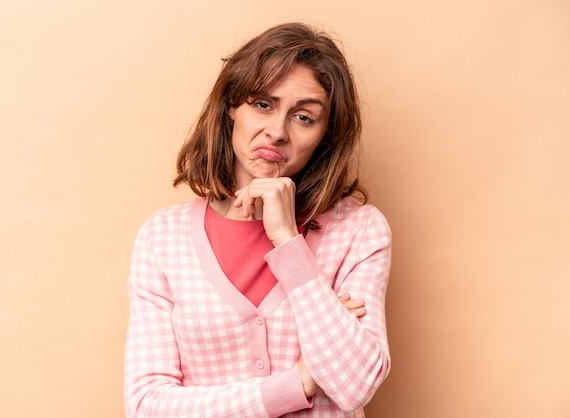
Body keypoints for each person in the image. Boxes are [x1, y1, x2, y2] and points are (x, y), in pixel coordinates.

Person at [124, 22, 391, 417]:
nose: (277, 132)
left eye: (303, 117)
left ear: (326, 135)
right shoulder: (163, 238)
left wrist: (288, 242)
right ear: (232, 105)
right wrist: (297, 382)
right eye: (263, 104)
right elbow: (148, 407)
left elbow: (356, 384)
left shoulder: (358, 231)